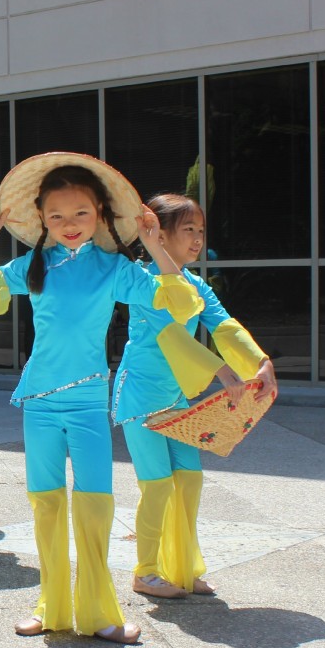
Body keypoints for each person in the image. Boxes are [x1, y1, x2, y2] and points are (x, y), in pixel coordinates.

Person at [0, 153, 202, 643]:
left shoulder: (113, 268)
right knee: (46, 506)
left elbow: (181, 301)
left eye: (81, 214)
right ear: (41, 220)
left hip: (91, 401)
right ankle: (52, 607)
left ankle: (99, 613)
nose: (69, 225)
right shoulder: (34, 264)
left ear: (101, 216)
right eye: (56, 216)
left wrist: (155, 243)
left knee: (95, 506)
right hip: (41, 402)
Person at [112, 193, 277, 598]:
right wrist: (221, 370)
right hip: (141, 396)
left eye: (200, 230)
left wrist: (260, 362)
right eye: (188, 229)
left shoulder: (196, 283)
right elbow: (170, 336)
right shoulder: (143, 281)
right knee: (157, 485)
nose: (198, 238)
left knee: (188, 480)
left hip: (175, 397)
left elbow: (224, 325)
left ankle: (182, 567)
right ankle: (146, 571)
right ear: (159, 235)